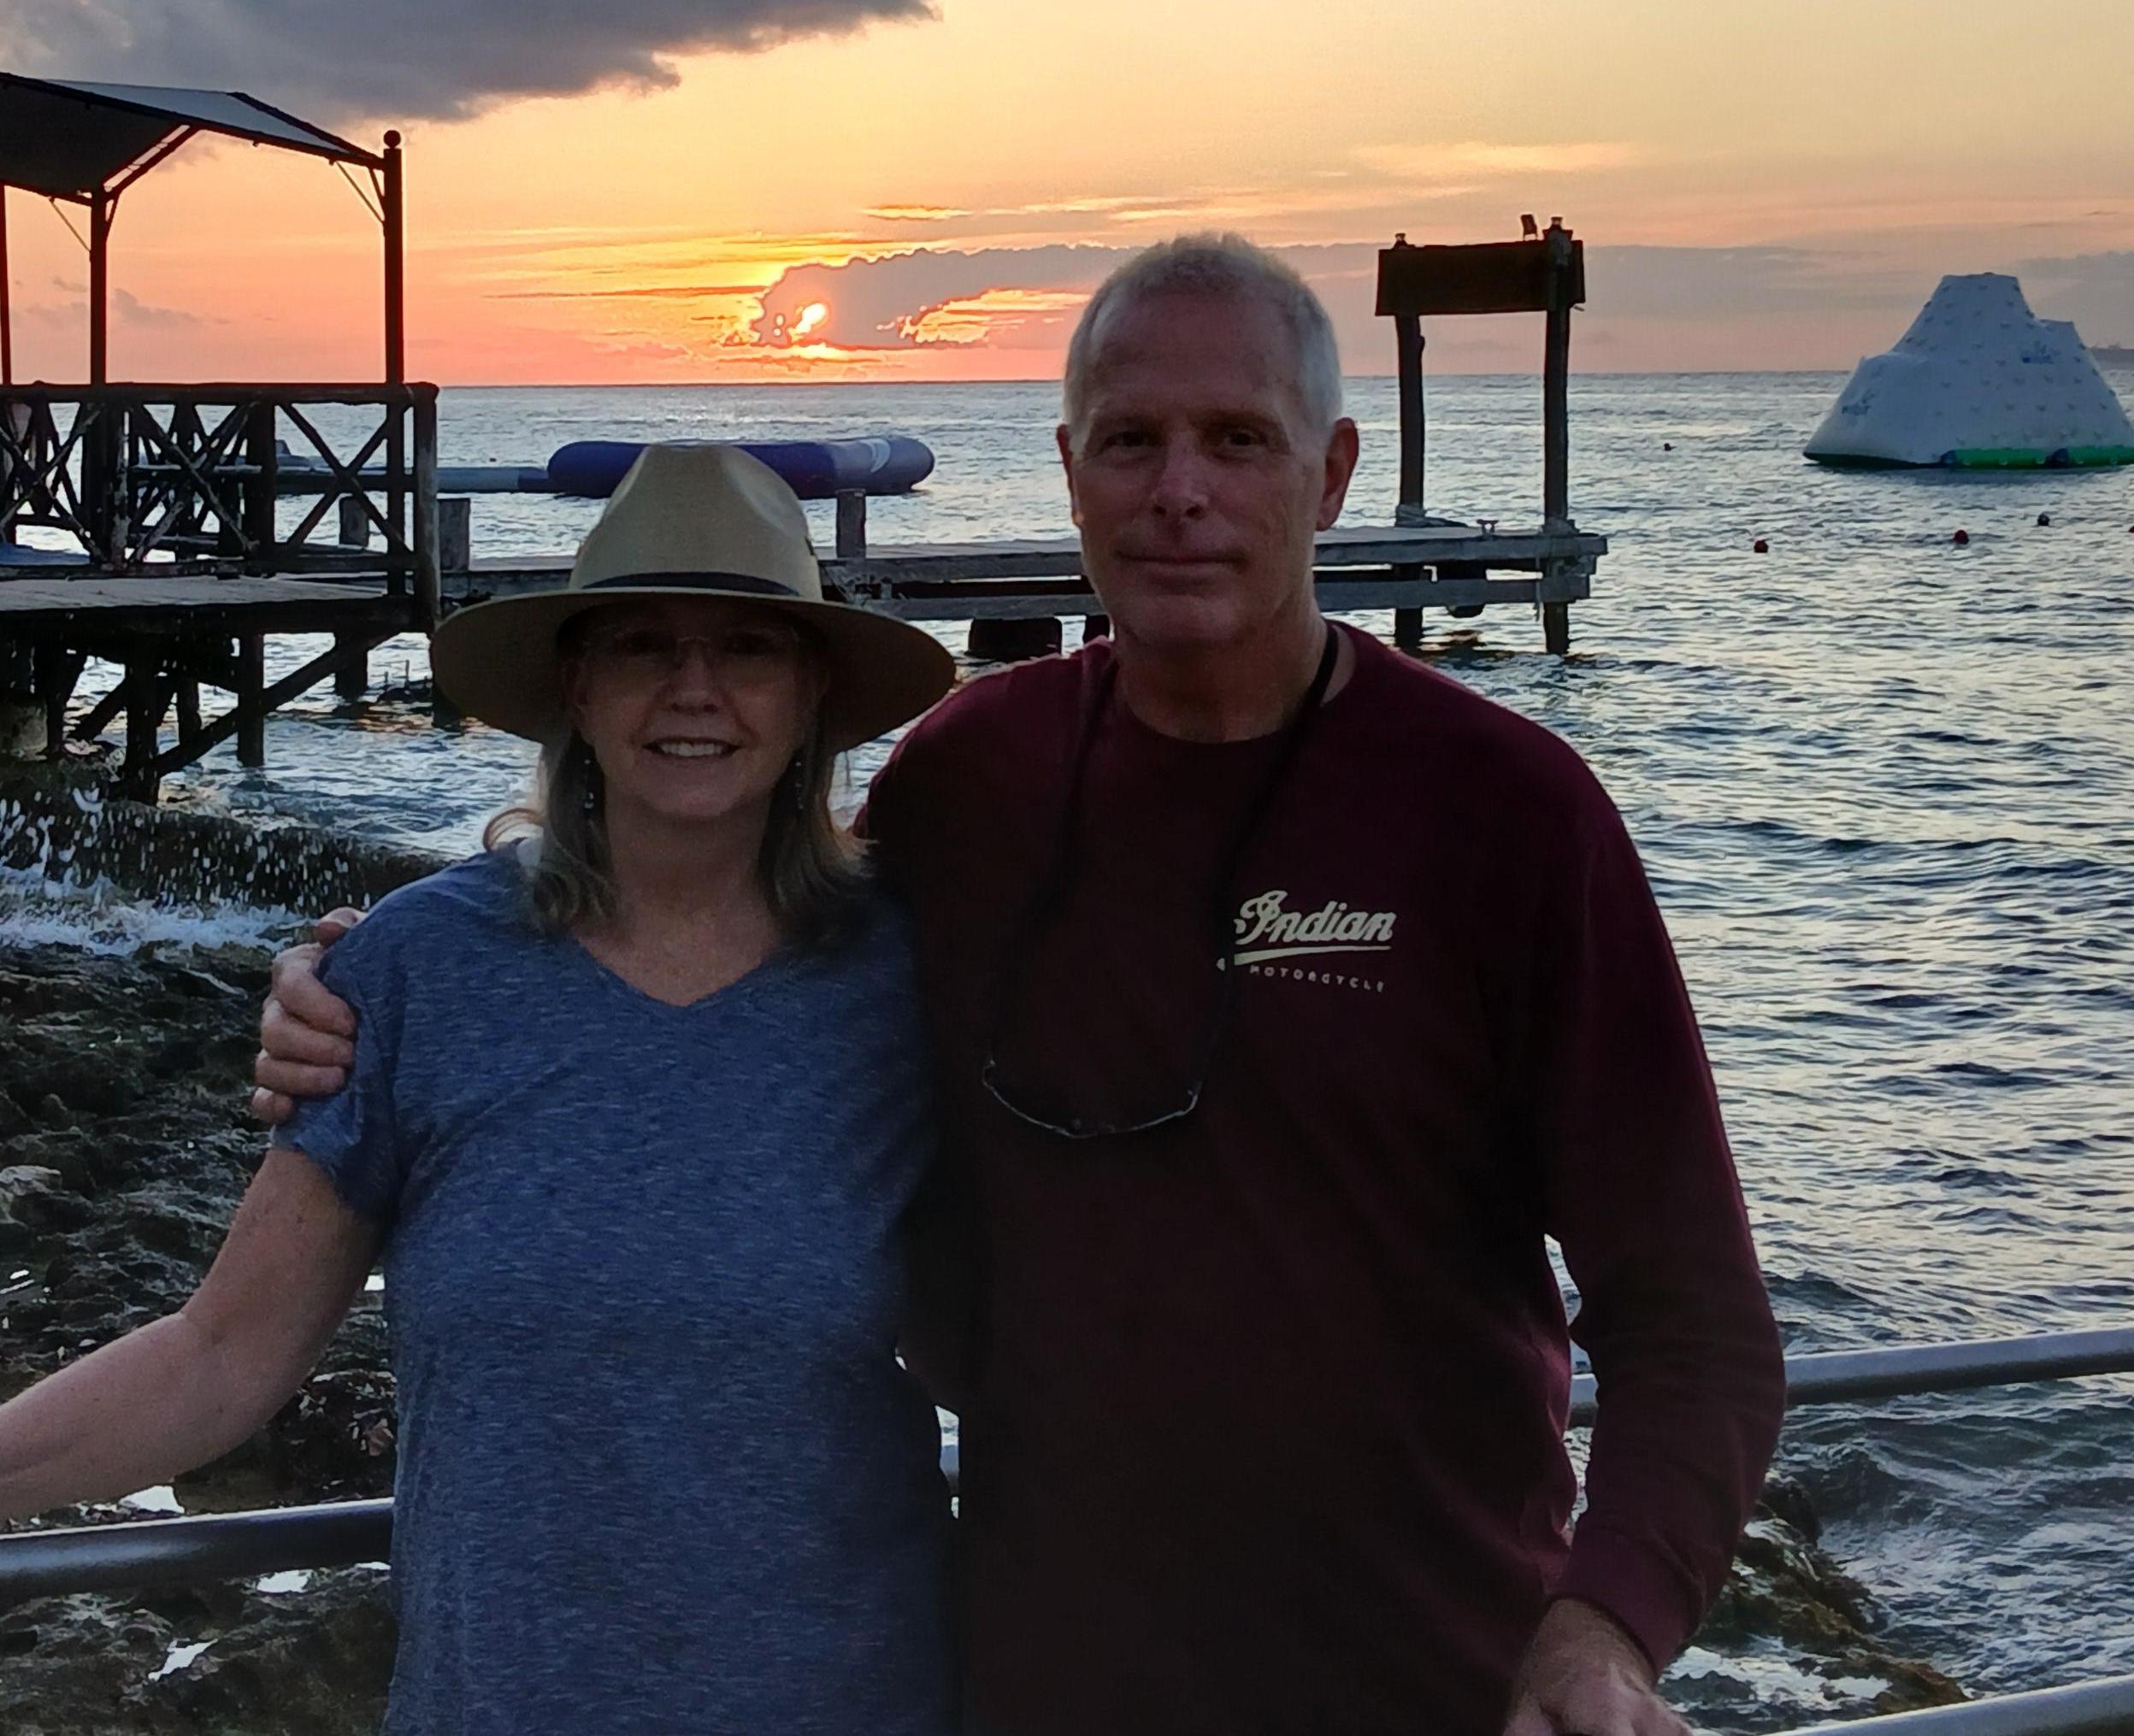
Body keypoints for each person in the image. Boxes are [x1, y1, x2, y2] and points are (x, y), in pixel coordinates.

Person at [256, 234, 1786, 1736]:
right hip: (1031, 1675)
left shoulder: (1507, 809)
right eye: (1132, 440)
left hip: (1433, 1671)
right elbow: (706, 925)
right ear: (1070, 471)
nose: (1180, 489)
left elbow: (1697, 1319)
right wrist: (363, 991)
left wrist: (1608, 1632)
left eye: (1236, 439)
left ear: (1328, 476)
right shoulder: (970, 780)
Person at [0, 443, 965, 1736]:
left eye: (746, 648)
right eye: (642, 646)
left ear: (809, 705)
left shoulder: (916, 980)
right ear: (573, 690)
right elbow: (222, 1353)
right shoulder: (418, 970)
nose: (694, 690)